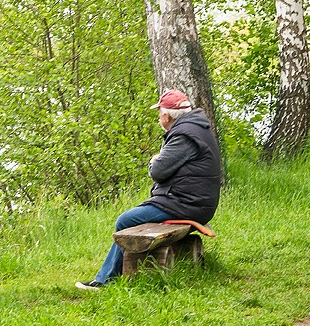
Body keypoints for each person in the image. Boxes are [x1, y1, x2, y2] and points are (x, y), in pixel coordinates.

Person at [75, 89, 222, 290]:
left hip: (186, 203)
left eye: (159, 114)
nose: (159, 118)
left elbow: (158, 171)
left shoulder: (183, 135)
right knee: (132, 218)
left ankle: (105, 281)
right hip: (194, 200)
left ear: (166, 116)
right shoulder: (197, 128)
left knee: (126, 220)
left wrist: (154, 160)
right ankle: (106, 277)